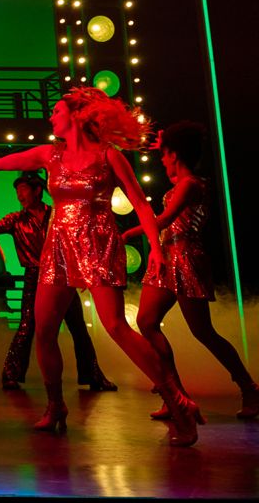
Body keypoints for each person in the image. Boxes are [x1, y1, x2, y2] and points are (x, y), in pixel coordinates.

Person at [0, 87, 200, 446]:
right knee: (44, 330)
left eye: (56, 111)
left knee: (115, 325)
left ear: (76, 115)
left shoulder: (109, 155)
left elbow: (139, 202)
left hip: (98, 241)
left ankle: (177, 400)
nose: (50, 117)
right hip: (58, 245)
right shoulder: (50, 154)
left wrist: (155, 247)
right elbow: (0, 162)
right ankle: (55, 405)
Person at [125, 121, 259, 419]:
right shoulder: (181, 182)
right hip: (166, 257)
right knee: (146, 321)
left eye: (165, 154)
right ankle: (176, 396)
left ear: (175, 154)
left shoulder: (190, 184)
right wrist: (163, 144)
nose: (162, 160)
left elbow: (164, 219)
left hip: (186, 258)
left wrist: (127, 234)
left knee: (203, 331)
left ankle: (249, 388)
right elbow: (168, 209)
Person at [0, 171, 117, 391]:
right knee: (27, 325)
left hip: (62, 276)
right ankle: (11, 375)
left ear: (37, 191)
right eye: (17, 192)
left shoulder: (56, 215)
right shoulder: (16, 219)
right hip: (34, 276)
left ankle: (93, 376)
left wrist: (84, 272)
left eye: (23, 190)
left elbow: (76, 243)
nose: (19, 196)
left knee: (78, 327)